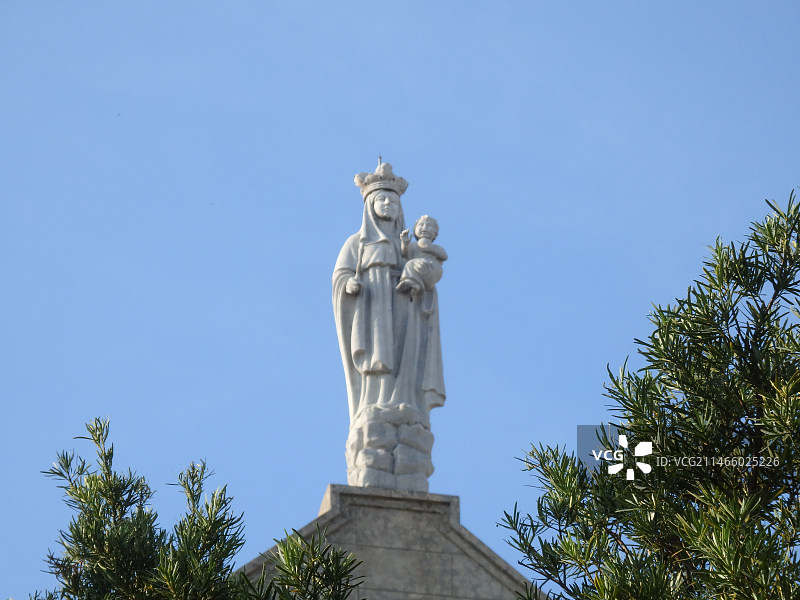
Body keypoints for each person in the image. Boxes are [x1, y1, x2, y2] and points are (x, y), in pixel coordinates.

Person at [397, 215, 448, 298]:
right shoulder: (413, 245)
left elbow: (444, 256)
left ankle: (411, 282)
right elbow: (405, 254)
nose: (424, 227)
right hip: (417, 269)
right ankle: (414, 285)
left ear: (435, 232)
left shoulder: (435, 247)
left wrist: (430, 248)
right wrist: (405, 242)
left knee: (410, 264)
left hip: (432, 269)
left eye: (429, 225)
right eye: (421, 225)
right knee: (409, 264)